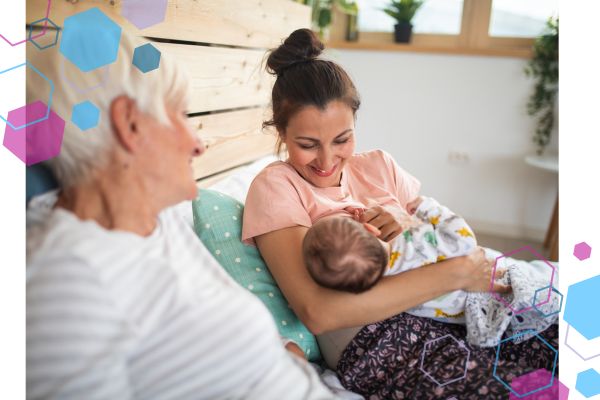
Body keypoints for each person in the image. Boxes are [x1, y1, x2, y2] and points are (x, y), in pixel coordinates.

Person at [242, 28, 558, 399]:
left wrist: (409, 226)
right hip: (379, 336)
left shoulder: (380, 166)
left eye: (342, 139)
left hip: (456, 307)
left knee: (567, 343)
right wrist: (455, 273)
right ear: (281, 132)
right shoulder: (276, 186)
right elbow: (317, 312)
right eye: (308, 145)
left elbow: (436, 232)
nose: (327, 160)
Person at [26, 30, 338, 399]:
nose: (198, 143)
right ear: (130, 125)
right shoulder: (67, 274)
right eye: (181, 115)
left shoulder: (161, 218)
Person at [302, 196, 476, 323]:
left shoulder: (391, 289)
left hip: (471, 317)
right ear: (371, 229)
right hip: (488, 284)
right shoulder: (413, 245)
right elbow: (465, 241)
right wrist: (429, 208)